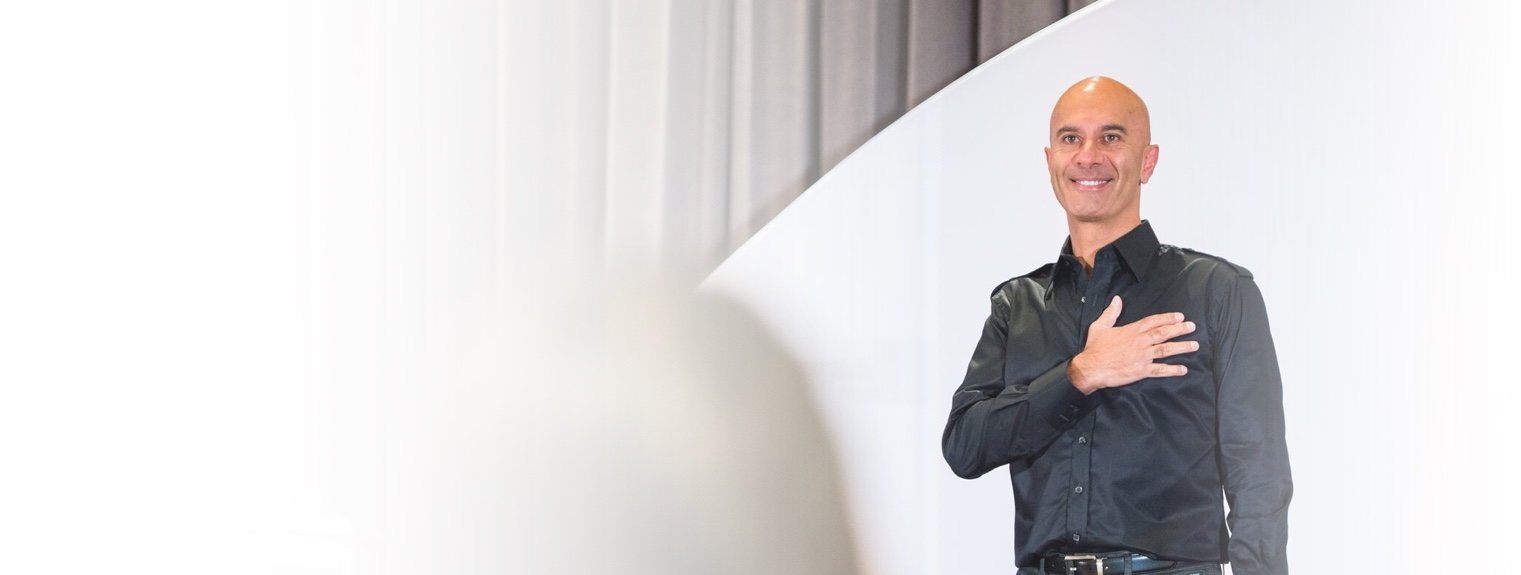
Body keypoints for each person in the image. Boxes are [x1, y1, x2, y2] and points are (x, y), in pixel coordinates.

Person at [941, 77, 1291, 575]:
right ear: (1051, 162)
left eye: (1110, 137)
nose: (1088, 156)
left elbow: (1258, 471)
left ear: (1147, 161)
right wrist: (1080, 374)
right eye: (1071, 138)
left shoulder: (1217, 290)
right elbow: (965, 447)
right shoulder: (1016, 304)